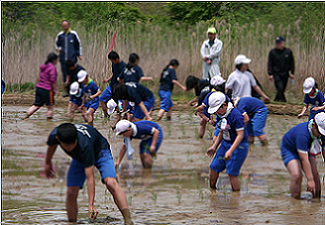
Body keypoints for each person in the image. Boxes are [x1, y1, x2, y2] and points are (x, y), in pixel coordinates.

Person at [45, 123, 134, 224]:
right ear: (58, 139)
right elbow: (51, 147)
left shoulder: (84, 144)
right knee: (71, 191)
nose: (70, 148)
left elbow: (90, 177)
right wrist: (47, 163)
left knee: (111, 183)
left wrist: (91, 205)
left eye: (72, 144)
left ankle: (128, 220)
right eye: (66, 145)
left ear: (76, 139)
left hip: (100, 151)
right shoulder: (55, 135)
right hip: (79, 157)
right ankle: (72, 222)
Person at [206, 92, 249, 191]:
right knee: (213, 167)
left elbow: (240, 135)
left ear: (224, 105)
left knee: (231, 173)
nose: (216, 113)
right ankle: (212, 192)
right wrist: (214, 146)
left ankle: (236, 199)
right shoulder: (221, 114)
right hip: (225, 143)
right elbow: (222, 131)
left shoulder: (236, 115)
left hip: (238, 146)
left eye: (217, 110)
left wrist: (230, 151)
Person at [280, 112, 325, 199]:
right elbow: (304, 159)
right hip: (290, 149)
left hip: (307, 148)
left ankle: (316, 200)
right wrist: (309, 180)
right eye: (319, 132)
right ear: (313, 125)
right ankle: (295, 202)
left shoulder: (321, 133)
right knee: (296, 174)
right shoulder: (302, 135)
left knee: (314, 173)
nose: (320, 135)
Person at [24, 53, 59, 120]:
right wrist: (56, 90)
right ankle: (49, 123)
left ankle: (25, 117)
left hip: (39, 88)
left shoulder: (43, 66)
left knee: (36, 105)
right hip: (47, 89)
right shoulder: (52, 68)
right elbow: (53, 80)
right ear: (54, 60)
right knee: (50, 108)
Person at [55, 20, 82, 96]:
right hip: (63, 59)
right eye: (63, 26)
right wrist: (58, 49)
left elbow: (78, 45)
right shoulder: (60, 35)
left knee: (73, 74)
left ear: (69, 25)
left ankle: (74, 90)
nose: (65, 27)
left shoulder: (73, 34)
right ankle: (66, 90)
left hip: (72, 59)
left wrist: (79, 54)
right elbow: (57, 45)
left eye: (66, 26)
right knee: (65, 74)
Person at [268, 36, 295, 102]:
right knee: (280, 88)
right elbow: (270, 63)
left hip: (285, 73)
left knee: (282, 89)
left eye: (279, 43)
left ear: (283, 43)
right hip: (276, 73)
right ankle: (283, 101)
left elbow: (292, 63)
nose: (278, 44)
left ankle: (276, 100)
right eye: (277, 43)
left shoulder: (288, 52)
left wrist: (292, 72)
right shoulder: (272, 52)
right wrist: (270, 73)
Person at [100, 51, 126, 118]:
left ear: (117, 58)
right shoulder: (113, 64)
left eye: (112, 60)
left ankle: (122, 117)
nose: (112, 62)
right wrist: (107, 80)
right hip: (111, 85)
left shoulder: (124, 66)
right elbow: (114, 74)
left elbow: (123, 79)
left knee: (120, 104)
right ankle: (106, 115)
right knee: (102, 99)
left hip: (118, 88)